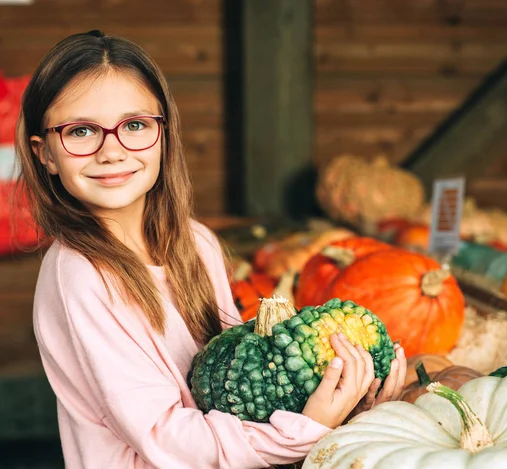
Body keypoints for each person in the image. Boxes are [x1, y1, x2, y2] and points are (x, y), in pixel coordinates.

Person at [16, 30, 407, 469]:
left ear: (163, 134)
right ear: (45, 153)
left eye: (134, 125)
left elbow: (230, 388)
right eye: (82, 131)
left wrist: (345, 404)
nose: (112, 150)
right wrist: (306, 428)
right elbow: (162, 436)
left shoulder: (196, 243)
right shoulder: (80, 274)